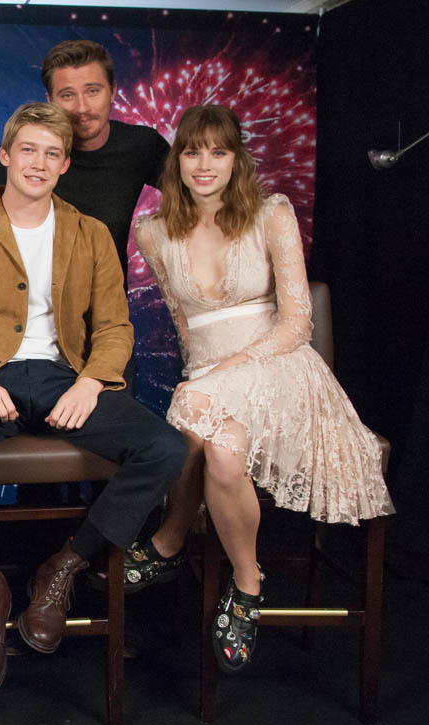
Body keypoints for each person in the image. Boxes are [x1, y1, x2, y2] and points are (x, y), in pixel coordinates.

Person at [0, 103, 186, 696]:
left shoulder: (90, 235)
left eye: (52, 153)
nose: (38, 163)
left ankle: (65, 565)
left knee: (165, 448)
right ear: (5, 156)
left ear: (65, 165)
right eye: (28, 150)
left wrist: (91, 382)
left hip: (67, 377)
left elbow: (114, 328)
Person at [132, 104, 394, 672]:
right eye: (192, 151)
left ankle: (169, 540)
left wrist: (228, 371)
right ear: (177, 161)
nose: (205, 164)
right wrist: (209, 378)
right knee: (222, 452)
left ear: (237, 159)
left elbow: (297, 324)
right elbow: (182, 324)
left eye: (218, 151)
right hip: (210, 383)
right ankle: (248, 584)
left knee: (189, 404)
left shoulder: (272, 213)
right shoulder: (153, 232)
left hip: (279, 369)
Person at [0, 39, 169, 278]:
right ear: (50, 99)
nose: (82, 108)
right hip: (27, 295)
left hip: (105, 298)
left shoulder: (141, 145)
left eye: (93, 91)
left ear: (113, 91)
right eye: (67, 95)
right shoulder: (28, 151)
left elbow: (196, 197)